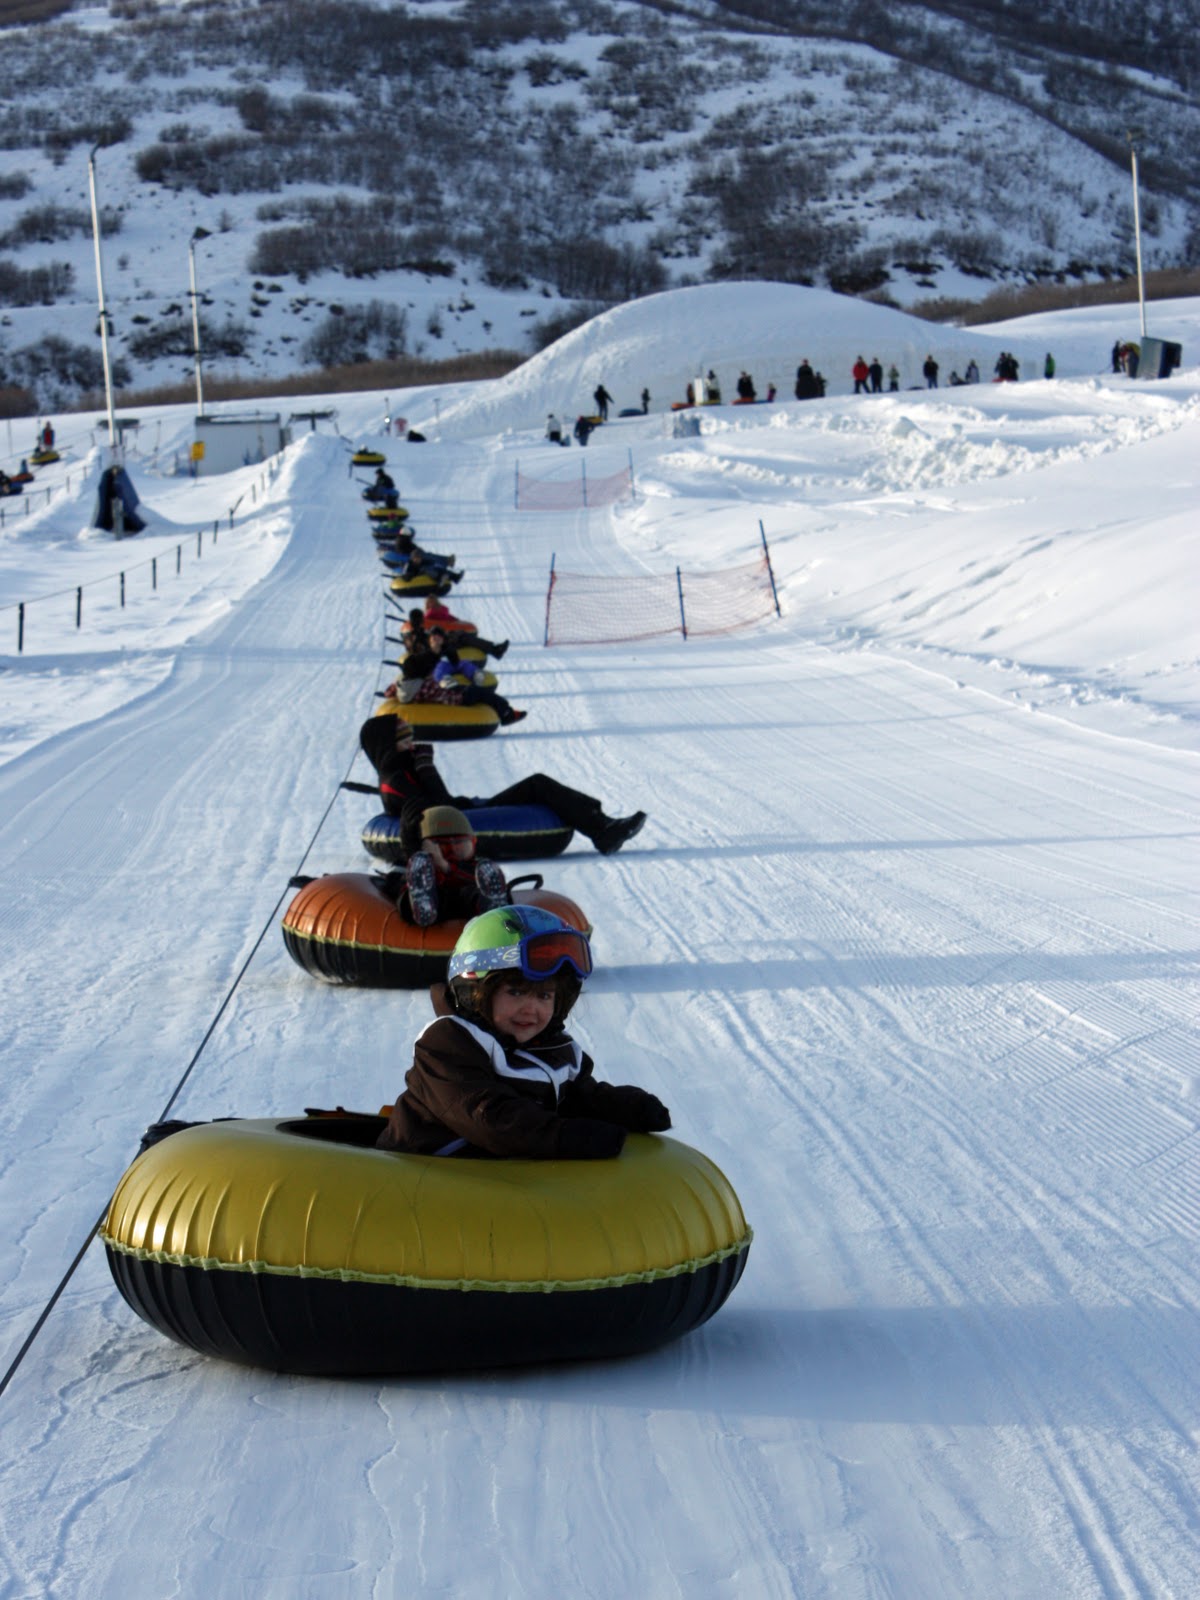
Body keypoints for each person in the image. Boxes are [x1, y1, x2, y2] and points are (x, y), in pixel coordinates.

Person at [375, 906, 671, 1157]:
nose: (531, 1008)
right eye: (516, 992)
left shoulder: (553, 1049)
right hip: (423, 1177)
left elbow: (580, 1096)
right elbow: (487, 1116)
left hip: (494, 1180)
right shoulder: (448, 1044)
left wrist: (627, 1107)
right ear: (475, 991)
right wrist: (566, 1137)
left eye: (544, 996)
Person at [359, 714, 647, 855]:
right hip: (458, 818)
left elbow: (442, 800)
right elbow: (439, 809)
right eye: (404, 737)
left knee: (537, 785)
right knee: (538, 784)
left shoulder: (403, 770)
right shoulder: (394, 782)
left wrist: (422, 767)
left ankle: (602, 824)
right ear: (388, 745)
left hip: (466, 807)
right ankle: (603, 831)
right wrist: (426, 766)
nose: (412, 741)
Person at [392, 805, 509, 928]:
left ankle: (493, 908)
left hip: (467, 902)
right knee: (409, 889)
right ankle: (423, 905)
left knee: (475, 891)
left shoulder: (478, 869)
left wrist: (448, 867)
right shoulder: (421, 868)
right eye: (443, 849)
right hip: (436, 901)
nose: (452, 857)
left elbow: (485, 879)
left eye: (461, 849)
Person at [388, 630, 526, 725]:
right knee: (481, 693)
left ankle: (475, 677)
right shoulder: (424, 686)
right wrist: (459, 690)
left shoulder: (404, 682)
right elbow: (442, 694)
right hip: (455, 698)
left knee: (462, 668)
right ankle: (507, 714)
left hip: (443, 688)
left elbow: (392, 690)